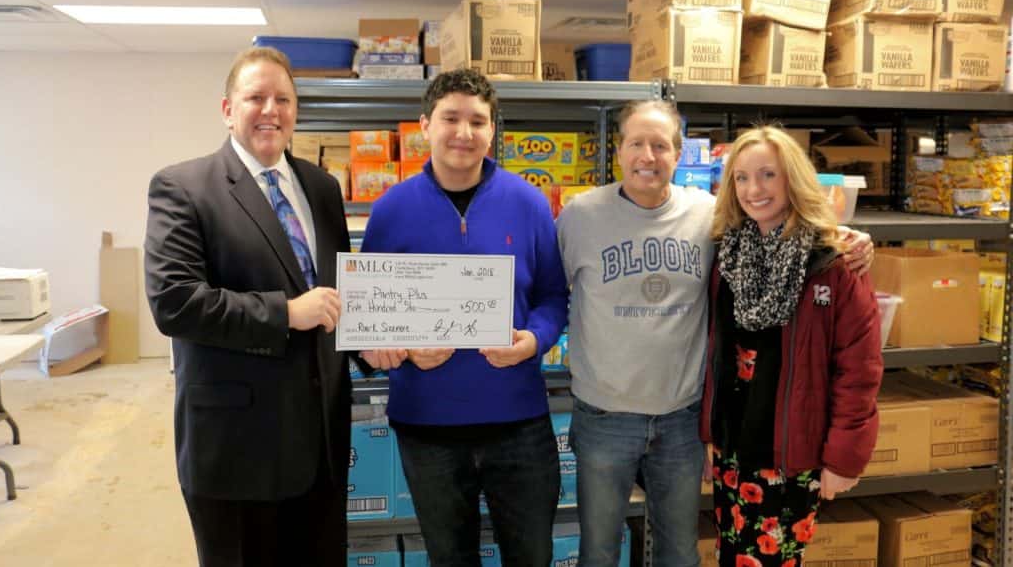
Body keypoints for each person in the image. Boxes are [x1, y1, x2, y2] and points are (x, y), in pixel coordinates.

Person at [556, 102, 874, 566]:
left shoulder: (711, 218)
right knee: (600, 550)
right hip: (614, 420)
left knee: (682, 551)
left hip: (687, 423)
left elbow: (856, 361)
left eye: (661, 145)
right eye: (637, 144)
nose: (648, 155)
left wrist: (849, 238)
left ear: (679, 154)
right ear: (617, 150)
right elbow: (547, 292)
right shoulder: (579, 216)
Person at [144, 46, 353, 566]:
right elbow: (175, 303)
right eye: (255, 97)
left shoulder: (322, 188)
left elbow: (339, 296)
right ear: (227, 110)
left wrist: (382, 343)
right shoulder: (184, 187)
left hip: (320, 443)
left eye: (283, 98)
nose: (270, 110)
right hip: (237, 449)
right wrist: (285, 312)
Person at [360, 68, 569, 566]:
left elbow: (554, 297)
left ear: (493, 130)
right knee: (450, 558)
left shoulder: (529, 203)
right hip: (427, 425)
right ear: (425, 125)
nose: (464, 132)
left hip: (517, 422)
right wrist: (405, 347)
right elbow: (368, 318)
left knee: (531, 556)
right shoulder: (390, 210)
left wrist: (533, 340)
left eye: (478, 121)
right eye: (450, 118)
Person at [700, 126, 883, 566]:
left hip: (791, 453)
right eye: (741, 178)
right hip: (733, 448)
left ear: (793, 180)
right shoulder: (728, 253)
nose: (753, 189)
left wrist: (844, 459)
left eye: (768, 175)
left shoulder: (833, 262)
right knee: (733, 555)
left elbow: (858, 371)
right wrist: (708, 437)